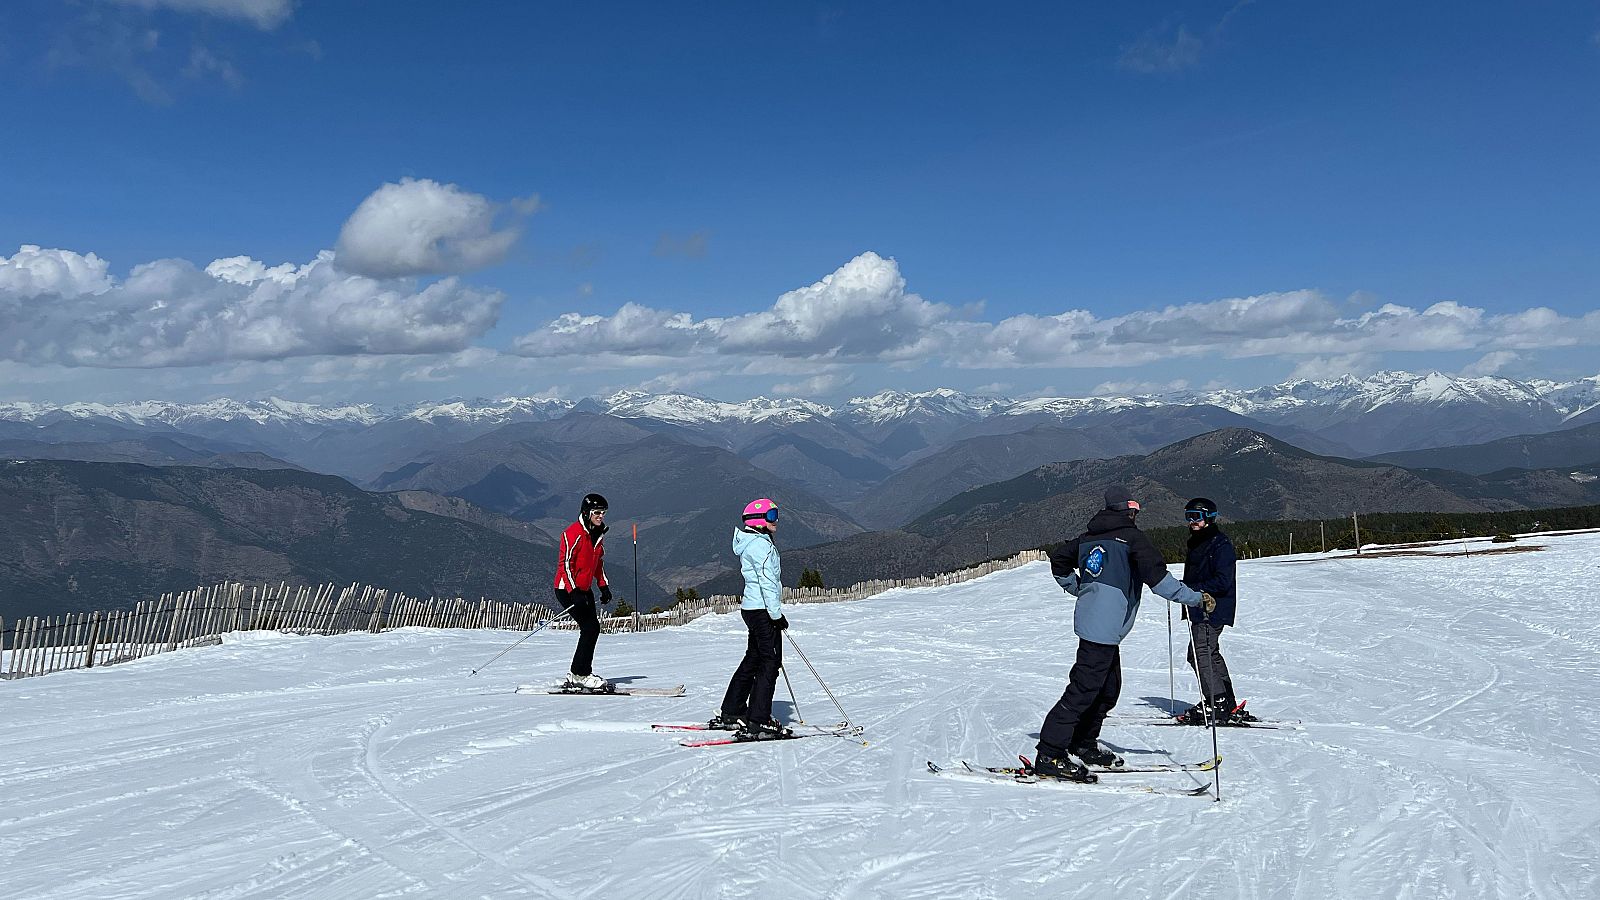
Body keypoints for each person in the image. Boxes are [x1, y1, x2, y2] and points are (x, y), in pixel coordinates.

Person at [1035, 485, 1215, 781]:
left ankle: (1083, 743)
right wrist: (1197, 598)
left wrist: (1079, 589)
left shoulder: (1087, 539)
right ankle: (1049, 754)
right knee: (1081, 692)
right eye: (1135, 511)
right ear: (1130, 511)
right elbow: (1161, 583)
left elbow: (1059, 562)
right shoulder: (1132, 539)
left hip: (1099, 628)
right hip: (1102, 629)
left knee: (1107, 690)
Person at [715, 497, 792, 740]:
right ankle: (759, 719)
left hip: (751, 608)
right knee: (770, 662)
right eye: (771, 516)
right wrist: (776, 615)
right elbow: (767, 582)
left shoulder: (750, 542)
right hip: (762, 610)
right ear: (759, 521)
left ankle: (732, 710)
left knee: (753, 658)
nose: (776, 521)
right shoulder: (761, 546)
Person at [1175, 497, 1255, 725]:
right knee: (1208, 652)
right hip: (1199, 606)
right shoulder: (1198, 542)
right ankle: (1226, 701)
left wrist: (1190, 589)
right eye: (1188, 516)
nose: (1191, 522)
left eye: (1196, 517)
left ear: (1209, 518)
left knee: (1200, 652)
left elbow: (1222, 581)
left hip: (1213, 608)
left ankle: (1216, 702)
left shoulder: (1220, 544)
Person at [554, 493, 612, 689]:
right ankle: (580, 674)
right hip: (567, 589)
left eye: (603, 512)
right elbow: (565, 566)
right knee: (590, 628)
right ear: (587, 513)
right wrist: (573, 592)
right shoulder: (573, 533)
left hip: (584, 589)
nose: (601, 516)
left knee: (592, 628)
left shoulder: (597, 534)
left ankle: (578, 672)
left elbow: (597, 563)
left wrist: (603, 586)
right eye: (597, 512)